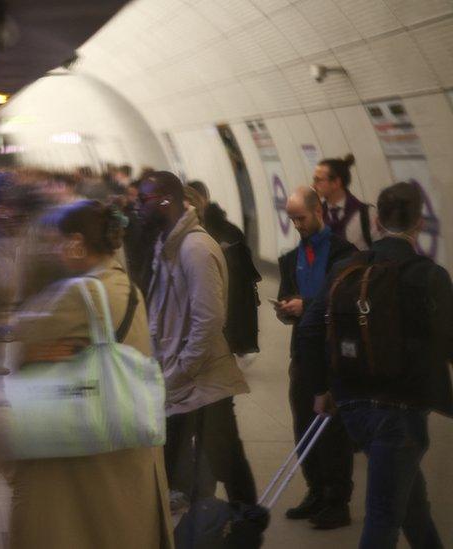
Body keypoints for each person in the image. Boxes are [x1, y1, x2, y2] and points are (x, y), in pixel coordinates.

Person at [7, 200, 173, 549]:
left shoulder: (79, 294)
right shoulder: (127, 287)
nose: (56, 249)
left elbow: (24, 341)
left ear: (78, 242)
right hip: (127, 439)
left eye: (60, 241)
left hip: (87, 446)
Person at [299, 182, 452, 549]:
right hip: (401, 411)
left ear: (378, 222)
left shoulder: (345, 268)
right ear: (419, 222)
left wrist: (322, 389)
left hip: (352, 405)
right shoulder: (428, 275)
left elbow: (308, 330)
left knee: (411, 505)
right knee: (384, 516)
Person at [138, 171, 256, 507]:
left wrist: (182, 370)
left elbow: (209, 320)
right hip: (182, 378)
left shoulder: (196, 249)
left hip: (202, 381)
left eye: (144, 201)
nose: (139, 210)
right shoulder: (168, 244)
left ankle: (245, 524)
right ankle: (210, 515)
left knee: (227, 461)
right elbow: (163, 313)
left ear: (167, 201)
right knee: (188, 460)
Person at [276, 187, 356, 529]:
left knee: (333, 429)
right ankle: (315, 490)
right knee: (303, 422)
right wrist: (285, 309)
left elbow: (344, 303)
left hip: (332, 353)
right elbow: (286, 297)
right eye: (292, 218)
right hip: (303, 351)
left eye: (301, 218)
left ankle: (337, 500)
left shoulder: (344, 254)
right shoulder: (290, 258)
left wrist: (306, 307)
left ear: (318, 212)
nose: (297, 225)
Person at [188, 180, 262, 357]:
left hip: (225, 317)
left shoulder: (226, 234)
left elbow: (242, 284)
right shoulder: (226, 231)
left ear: (203, 200)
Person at [312, 154, 381, 250]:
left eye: (318, 180)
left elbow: (379, 249)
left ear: (336, 183)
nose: (313, 185)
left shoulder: (366, 214)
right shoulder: (316, 215)